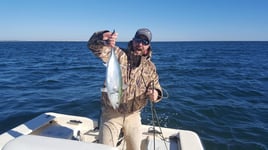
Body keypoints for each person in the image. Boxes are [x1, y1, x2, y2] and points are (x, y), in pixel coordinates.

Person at [87, 28, 163, 150]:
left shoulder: (150, 67)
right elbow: (92, 46)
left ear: (148, 46)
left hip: (134, 116)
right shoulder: (118, 54)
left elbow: (157, 86)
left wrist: (156, 93)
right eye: (138, 40)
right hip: (111, 114)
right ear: (133, 41)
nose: (140, 44)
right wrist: (102, 39)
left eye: (145, 42)